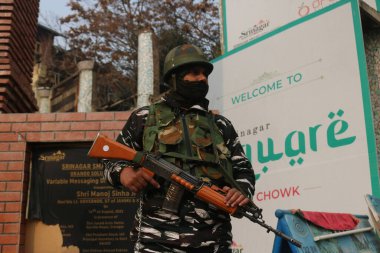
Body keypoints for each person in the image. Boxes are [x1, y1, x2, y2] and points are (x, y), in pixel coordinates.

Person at [103, 44, 256, 253]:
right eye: (194, 73)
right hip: (155, 241)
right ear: (174, 78)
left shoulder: (221, 125)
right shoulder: (144, 118)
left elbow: (243, 169)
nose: (202, 79)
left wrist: (241, 190)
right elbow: (110, 159)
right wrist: (124, 174)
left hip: (213, 241)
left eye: (205, 74)